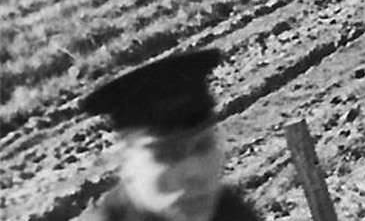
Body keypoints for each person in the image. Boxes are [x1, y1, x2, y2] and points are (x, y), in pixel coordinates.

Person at [80, 48, 258, 221]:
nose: (194, 173)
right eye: (165, 154)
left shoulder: (230, 213)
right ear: (124, 161)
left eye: (203, 145)